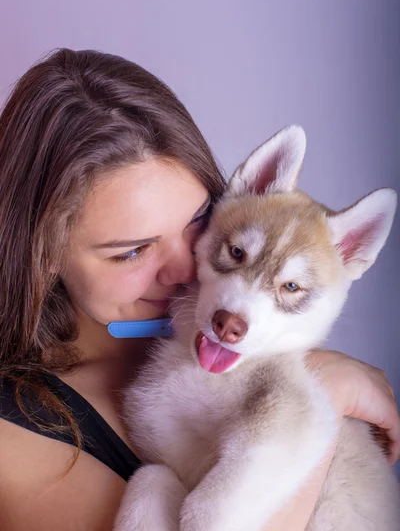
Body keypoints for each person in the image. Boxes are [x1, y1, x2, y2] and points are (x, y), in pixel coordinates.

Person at [0, 48, 398, 531]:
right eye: (131, 250)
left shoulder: (228, 338)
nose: (187, 265)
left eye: (197, 222)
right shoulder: (14, 439)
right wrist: (327, 392)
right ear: (41, 255)